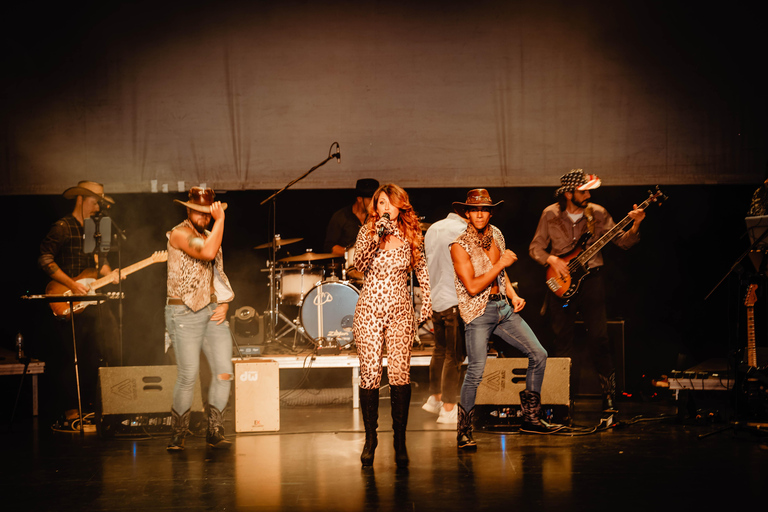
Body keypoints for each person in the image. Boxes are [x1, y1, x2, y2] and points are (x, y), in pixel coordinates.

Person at [529, 169, 645, 412]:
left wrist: (635, 225)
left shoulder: (598, 213)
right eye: (584, 190)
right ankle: (562, 400)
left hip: (592, 280)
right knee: (562, 341)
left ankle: (609, 399)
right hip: (561, 281)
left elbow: (623, 242)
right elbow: (535, 248)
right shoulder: (549, 214)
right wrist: (552, 260)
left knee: (600, 339)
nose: (589, 194)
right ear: (569, 193)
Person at [451, 189, 551, 450]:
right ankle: (464, 432)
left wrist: (513, 294)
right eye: (475, 210)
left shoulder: (496, 234)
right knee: (475, 371)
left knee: (539, 354)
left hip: (503, 309)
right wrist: (501, 263)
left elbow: (501, 274)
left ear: (491, 212)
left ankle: (530, 418)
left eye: (484, 209)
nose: (480, 213)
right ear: (467, 214)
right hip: (478, 312)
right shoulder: (459, 245)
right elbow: (472, 287)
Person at [353, 183, 432, 468]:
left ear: (401, 206)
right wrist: (376, 236)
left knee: (400, 373)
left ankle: (400, 439)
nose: (385, 208)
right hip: (370, 309)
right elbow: (359, 263)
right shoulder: (368, 231)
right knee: (371, 373)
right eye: (381, 203)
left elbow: (421, 266)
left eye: (390, 203)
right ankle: (370, 438)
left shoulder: (411, 233)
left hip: (400, 310)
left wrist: (428, 300)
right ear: (375, 207)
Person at [38, 180, 119, 430]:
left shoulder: (97, 229)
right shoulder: (63, 227)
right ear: (81, 200)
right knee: (71, 355)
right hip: (69, 298)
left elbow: (98, 264)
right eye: (95, 202)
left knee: (104, 348)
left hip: (91, 299)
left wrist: (112, 274)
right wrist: (71, 285)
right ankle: (71, 410)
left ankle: (99, 406)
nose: (98, 207)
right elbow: (44, 258)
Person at [166, 187, 235, 451]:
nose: (205, 217)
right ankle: (178, 433)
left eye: (209, 213)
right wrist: (221, 220)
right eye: (200, 212)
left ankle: (214, 430)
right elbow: (205, 252)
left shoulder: (211, 236)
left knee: (224, 372)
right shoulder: (179, 233)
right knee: (188, 375)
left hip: (210, 311)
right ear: (188, 209)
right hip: (183, 312)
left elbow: (217, 275)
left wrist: (224, 303)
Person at [421, 210, 467, 425]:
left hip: (437, 299)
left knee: (440, 351)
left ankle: (435, 399)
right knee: (454, 356)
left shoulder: (432, 228)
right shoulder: (462, 230)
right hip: (454, 299)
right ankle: (448, 409)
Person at [324, 178, 379, 255]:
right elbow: (329, 247)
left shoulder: (377, 217)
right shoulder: (341, 217)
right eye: (370, 199)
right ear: (359, 199)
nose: (374, 203)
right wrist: (351, 254)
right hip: (347, 264)